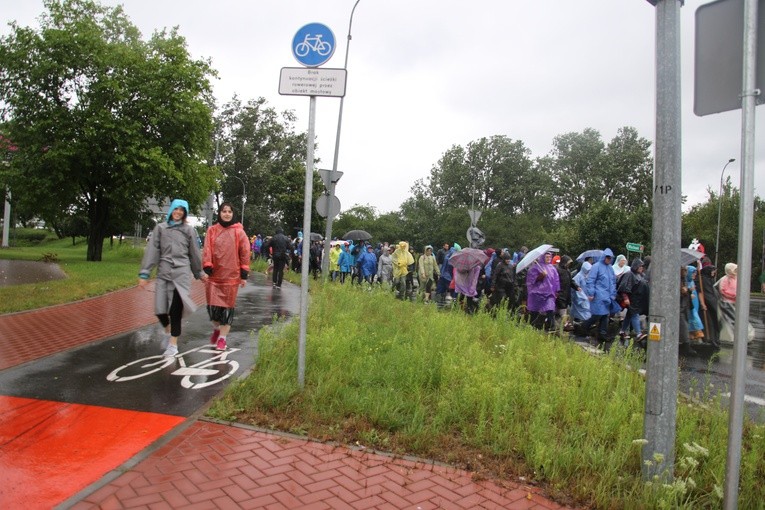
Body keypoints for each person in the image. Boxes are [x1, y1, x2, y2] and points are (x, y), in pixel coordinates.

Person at [138, 199, 205, 357]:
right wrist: (145, 273)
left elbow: (194, 253)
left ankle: (173, 344)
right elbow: (152, 251)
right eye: (176, 209)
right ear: (171, 210)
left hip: (181, 274)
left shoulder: (189, 231)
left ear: (185, 213)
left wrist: (199, 273)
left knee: (175, 309)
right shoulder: (160, 228)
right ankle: (167, 329)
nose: (178, 212)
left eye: (182, 210)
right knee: (160, 310)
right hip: (164, 273)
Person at [202, 202, 250, 351]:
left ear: (233, 214)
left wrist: (243, 274)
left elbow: (245, 252)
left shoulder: (239, 232)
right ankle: (217, 329)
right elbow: (207, 248)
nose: (227, 214)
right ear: (220, 213)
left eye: (230, 211)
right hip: (215, 276)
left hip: (231, 277)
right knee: (214, 310)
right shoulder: (212, 230)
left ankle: (222, 339)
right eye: (224, 211)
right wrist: (207, 264)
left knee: (227, 310)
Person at [582, 248, 617, 345]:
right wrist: (591, 293)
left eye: (610, 258)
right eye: (607, 257)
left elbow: (613, 282)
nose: (609, 259)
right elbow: (590, 280)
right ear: (604, 257)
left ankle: (602, 334)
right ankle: (584, 326)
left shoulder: (610, 268)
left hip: (607, 297)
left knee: (605, 315)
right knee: (598, 314)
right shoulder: (596, 267)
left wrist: (613, 294)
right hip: (598, 295)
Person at [617, 258, 649, 346]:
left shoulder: (640, 275)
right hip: (630, 299)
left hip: (637, 300)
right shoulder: (629, 274)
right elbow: (623, 287)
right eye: (640, 266)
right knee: (634, 314)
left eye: (642, 266)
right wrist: (625, 298)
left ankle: (622, 331)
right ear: (635, 266)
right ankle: (638, 334)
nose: (641, 268)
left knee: (630, 315)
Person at [525, 251, 560, 331]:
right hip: (538, 293)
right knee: (535, 310)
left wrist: (557, 290)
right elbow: (531, 280)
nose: (548, 259)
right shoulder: (535, 267)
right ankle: (533, 324)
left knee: (550, 308)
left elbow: (556, 280)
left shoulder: (553, 268)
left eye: (550, 257)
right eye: (547, 257)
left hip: (549, 293)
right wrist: (541, 276)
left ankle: (551, 326)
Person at [699, 260, 720, 348]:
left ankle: (715, 338)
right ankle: (711, 339)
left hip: (712, 303)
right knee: (710, 322)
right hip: (708, 304)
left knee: (715, 322)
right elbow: (706, 293)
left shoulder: (709, 279)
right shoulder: (704, 280)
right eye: (713, 271)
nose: (714, 273)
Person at [686, 264, 705, 342]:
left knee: (694, 315)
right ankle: (697, 332)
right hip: (689, 304)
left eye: (695, 273)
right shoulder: (685, 281)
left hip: (694, 303)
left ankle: (693, 335)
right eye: (693, 273)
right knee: (693, 317)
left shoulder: (692, 282)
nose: (694, 274)